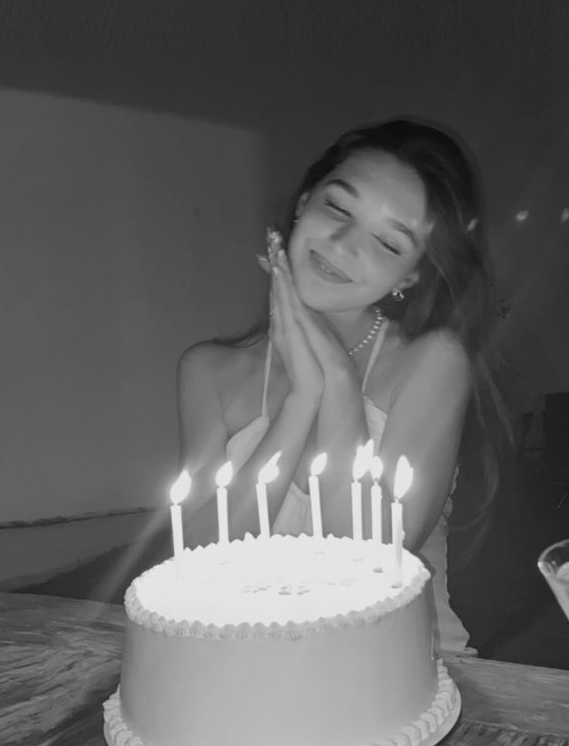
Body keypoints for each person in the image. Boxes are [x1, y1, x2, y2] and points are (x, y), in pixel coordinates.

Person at [178, 117, 511, 653]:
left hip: (405, 678)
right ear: (304, 201)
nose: (343, 245)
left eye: (387, 242)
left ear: (410, 276)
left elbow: (370, 563)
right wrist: (299, 401)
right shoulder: (207, 369)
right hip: (242, 670)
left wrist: (334, 379)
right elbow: (194, 558)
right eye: (337, 208)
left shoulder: (433, 361)